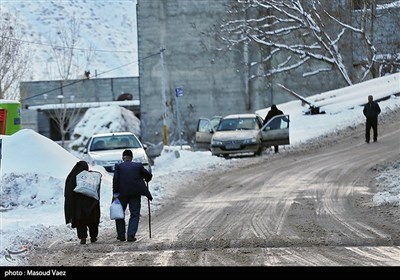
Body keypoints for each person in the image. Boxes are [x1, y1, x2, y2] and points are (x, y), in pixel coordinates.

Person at [113, 149, 153, 242]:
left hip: (122, 194)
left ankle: (121, 235)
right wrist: (146, 178)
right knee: (134, 214)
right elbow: (149, 175)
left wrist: (115, 194)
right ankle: (131, 235)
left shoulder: (119, 166)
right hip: (135, 194)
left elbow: (115, 180)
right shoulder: (138, 166)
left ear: (123, 157)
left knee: (119, 214)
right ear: (131, 157)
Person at [64, 161, 101, 245]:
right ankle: (93, 237)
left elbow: (68, 192)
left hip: (78, 206)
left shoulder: (72, 177)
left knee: (80, 221)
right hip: (92, 204)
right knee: (93, 222)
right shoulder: (90, 177)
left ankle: (83, 237)